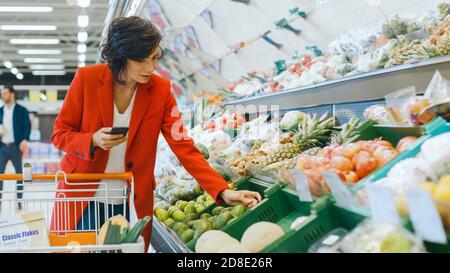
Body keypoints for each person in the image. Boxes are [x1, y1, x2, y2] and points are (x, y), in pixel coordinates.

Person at [50, 16, 261, 248]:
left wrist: (220, 190)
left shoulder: (161, 91)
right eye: (142, 59)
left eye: (154, 58)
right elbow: (60, 134)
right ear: (122, 56)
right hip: (85, 196)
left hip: (131, 201)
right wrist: (92, 139)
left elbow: (183, 145)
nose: (150, 67)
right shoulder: (87, 80)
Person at [0, 85, 31, 211]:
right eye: (2, 93)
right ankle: (0, 202)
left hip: (15, 147)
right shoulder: (0, 110)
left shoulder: (21, 110)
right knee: (0, 176)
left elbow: (27, 126)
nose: (3, 95)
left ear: (12, 94)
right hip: (2, 147)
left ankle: (19, 201)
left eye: (5, 93)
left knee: (19, 175)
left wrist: (24, 139)